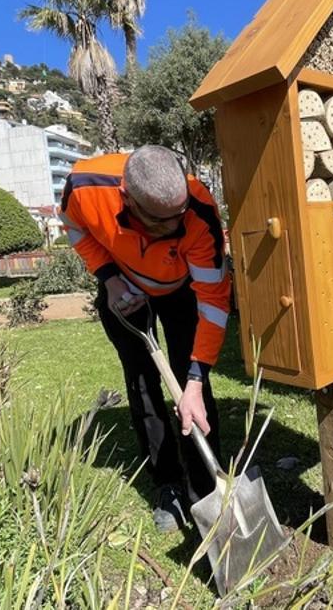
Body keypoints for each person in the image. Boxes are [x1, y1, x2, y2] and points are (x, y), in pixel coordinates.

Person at [61, 145, 231, 533]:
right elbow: (76, 229)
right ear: (127, 198)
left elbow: (214, 304)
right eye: (161, 221)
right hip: (124, 290)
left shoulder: (198, 214)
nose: (175, 228)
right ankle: (167, 483)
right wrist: (110, 279)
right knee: (141, 380)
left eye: (179, 215)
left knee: (192, 388)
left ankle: (206, 489)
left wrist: (196, 378)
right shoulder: (86, 187)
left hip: (180, 290)